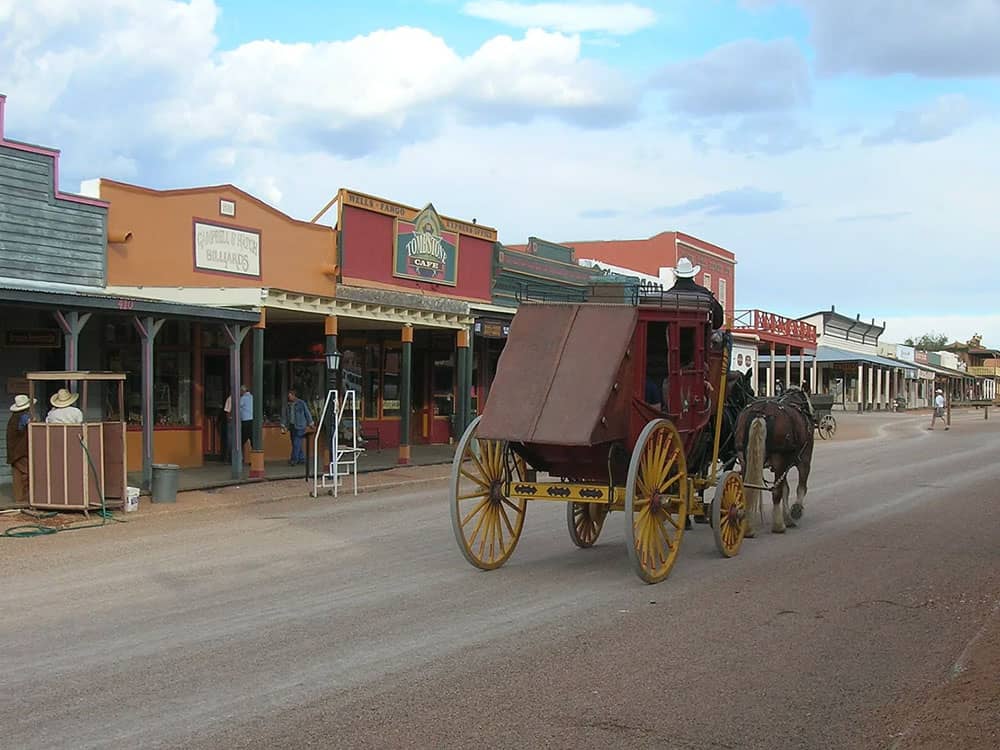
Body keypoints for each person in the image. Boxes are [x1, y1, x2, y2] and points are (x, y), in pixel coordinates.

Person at [671, 257, 725, 329]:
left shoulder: (667, 296)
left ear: (676, 276)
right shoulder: (705, 294)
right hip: (701, 338)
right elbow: (718, 322)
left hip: (671, 338)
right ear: (692, 275)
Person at [7, 394, 33, 504]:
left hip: (13, 451)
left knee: (17, 475)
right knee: (29, 473)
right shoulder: (24, 417)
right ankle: (27, 497)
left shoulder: (13, 417)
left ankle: (19, 498)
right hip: (21, 450)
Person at [283, 389, 314, 465]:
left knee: (296, 443)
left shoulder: (301, 403)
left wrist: (311, 423)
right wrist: (284, 425)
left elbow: (307, 413)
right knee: (295, 443)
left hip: (300, 426)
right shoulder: (288, 405)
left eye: (290, 396)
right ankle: (301, 458)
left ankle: (294, 459)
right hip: (292, 426)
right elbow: (286, 416)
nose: (289, 398)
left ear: (294, 396)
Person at [238, 385, 253, 460]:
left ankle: (239, 458)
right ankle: (255, 460)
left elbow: (237, 407)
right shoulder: (252, 397)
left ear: (243, 391)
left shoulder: (243, 398)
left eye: (240, 391)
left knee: (241, 441)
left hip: (246, 421)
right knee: (253, 441)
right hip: (252, 421)